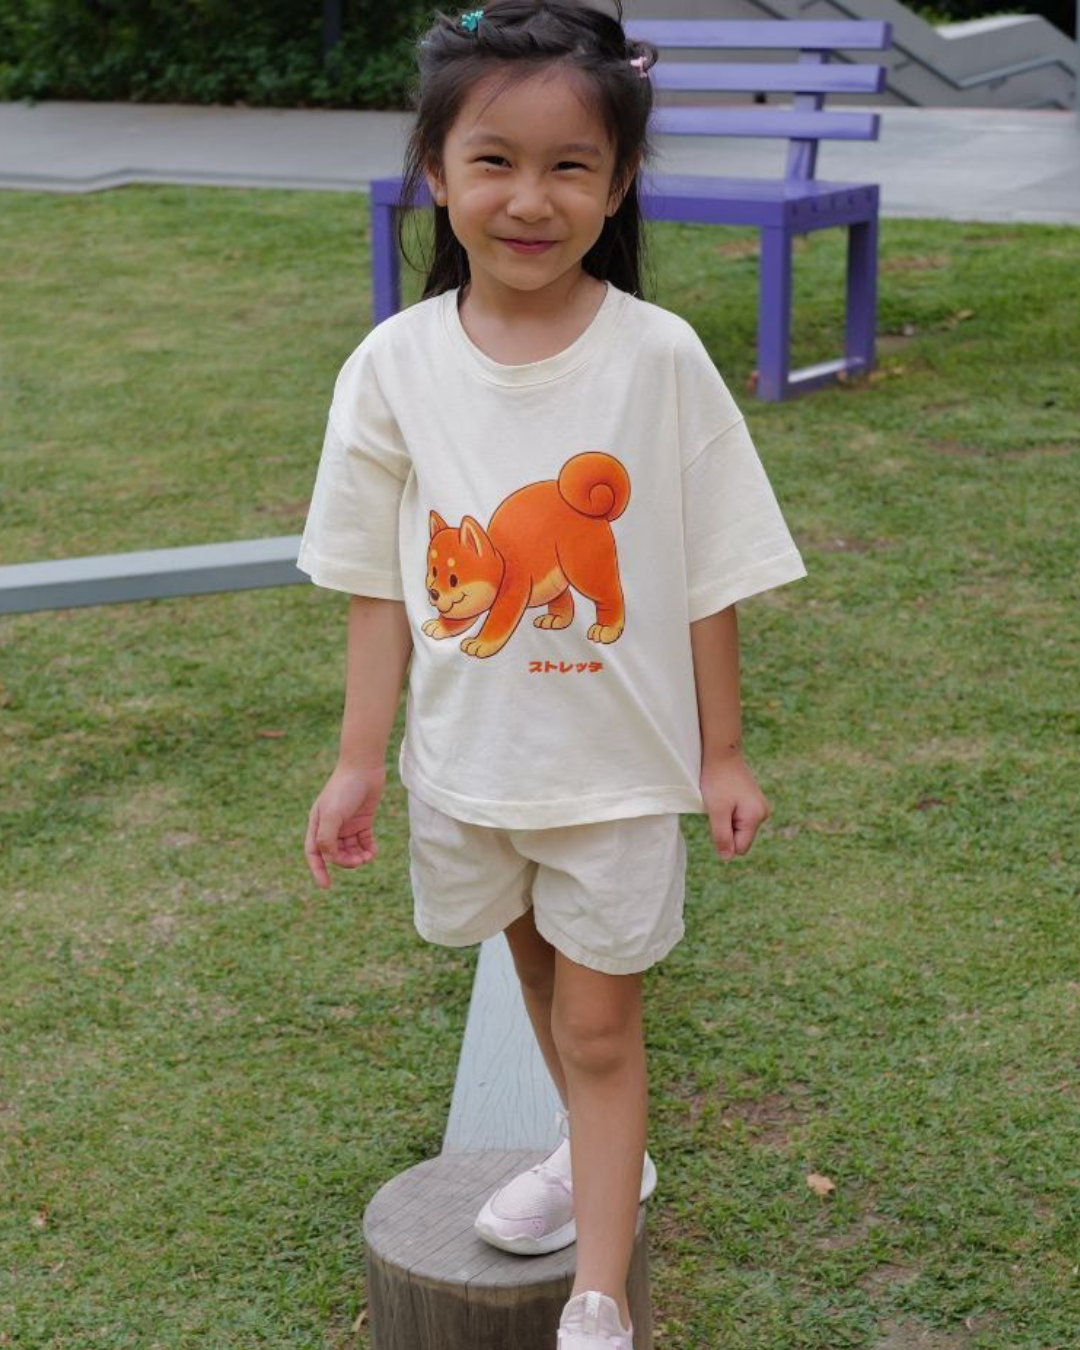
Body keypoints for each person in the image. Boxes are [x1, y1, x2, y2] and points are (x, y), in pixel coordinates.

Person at [300, 2, 806, 1345]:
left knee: (597, 1023)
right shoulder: (394, 366)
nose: (530, 199)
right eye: (495, 160)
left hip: (618, 774)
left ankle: (596, 1295)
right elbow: (375, 586)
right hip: (470, 771)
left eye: (570, 165)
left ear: (619, 182)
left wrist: (724, 753)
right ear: (436, 169)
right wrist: (357, 762)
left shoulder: (659, 356)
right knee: (538, 980)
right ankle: (602, 1154)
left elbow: (709, 571)